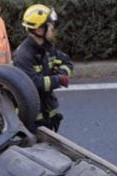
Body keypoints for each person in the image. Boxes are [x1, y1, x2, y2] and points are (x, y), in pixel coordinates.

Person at [13, 4, 73, 132]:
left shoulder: (48, 47)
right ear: (39, 30)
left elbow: (67, 62)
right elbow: (32, 83)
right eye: (49, 25)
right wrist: (58, 79)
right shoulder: (23, 55)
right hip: (33, 118)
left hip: (49, 113)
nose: (52, 29)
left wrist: (62, 73)